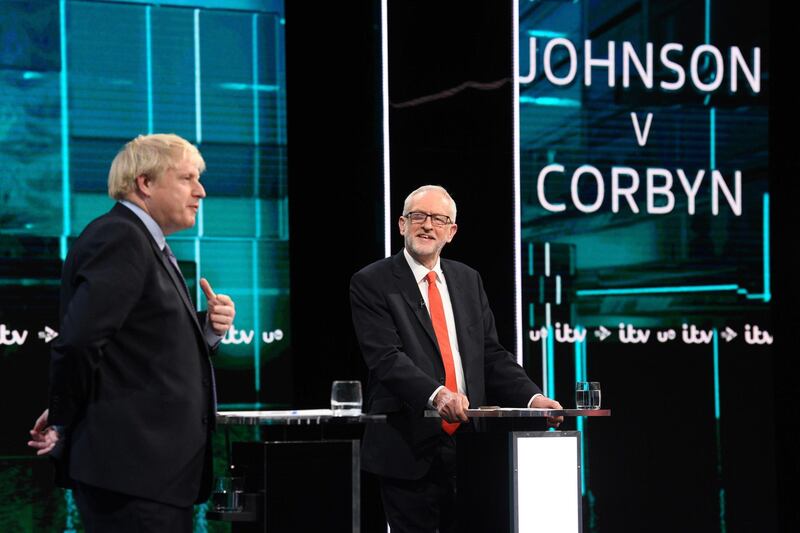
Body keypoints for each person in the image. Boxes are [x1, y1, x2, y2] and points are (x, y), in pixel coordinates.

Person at [27, 134, 235, 533]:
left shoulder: (144, 243)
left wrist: (208, 331)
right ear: (145, 183)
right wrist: (63, 420)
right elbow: (80, 342)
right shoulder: (121, 237)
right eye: (187, 178)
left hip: (151, 476)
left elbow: (141, 349)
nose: (201, 191)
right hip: (133, 474)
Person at [349, 184, 563, 532]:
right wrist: (438, 394)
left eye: (438, 219)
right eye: (418, 216)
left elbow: (491, 354)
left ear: (451, 231)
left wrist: (533, 397)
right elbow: (386, 357)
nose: (427, 225)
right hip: (407, 446)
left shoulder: (467, 279)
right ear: (402, 224)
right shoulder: (372, 281)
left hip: (470, 447)